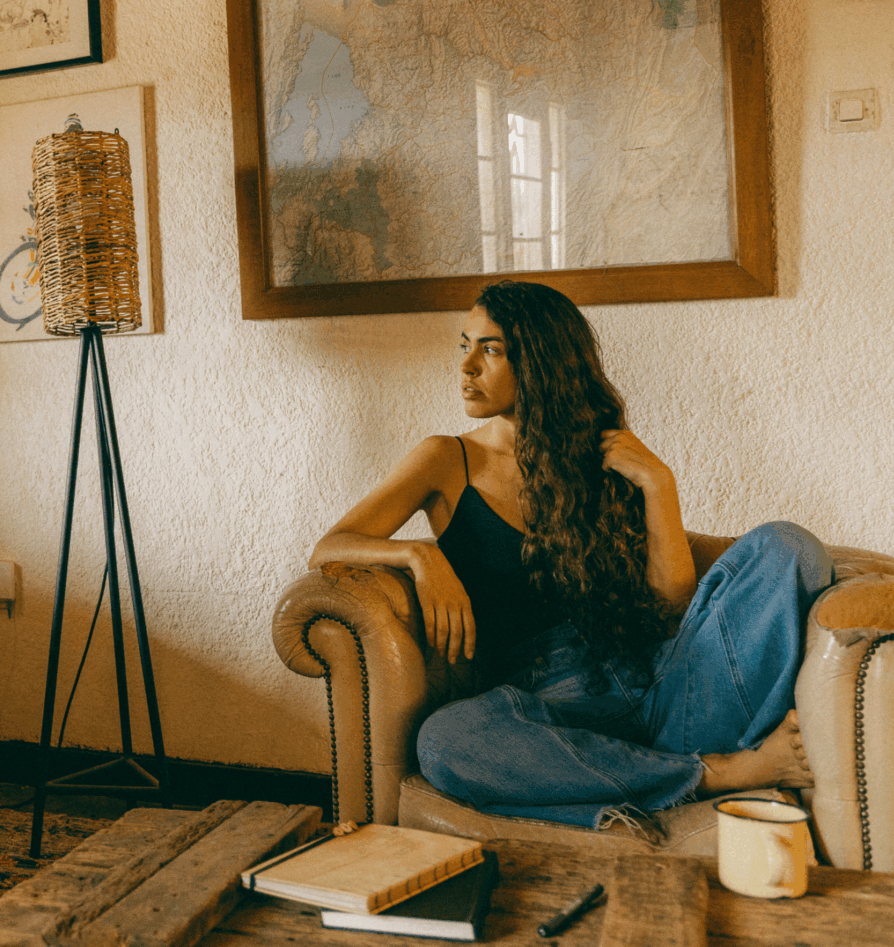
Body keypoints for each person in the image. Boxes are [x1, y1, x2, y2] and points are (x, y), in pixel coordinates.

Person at [309, 280, 834, 828]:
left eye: (491, 349)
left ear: (540, 361)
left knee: (788, 545)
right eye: (464, 345)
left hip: (664, 684)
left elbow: (673, 602)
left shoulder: (602, 454)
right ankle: (714, 773)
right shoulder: (445, 459)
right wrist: (421, 557)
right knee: (444, 742)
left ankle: (658, 772)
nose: (466, 366)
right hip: (547, 714)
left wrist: (659, 484)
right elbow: (330, 546)